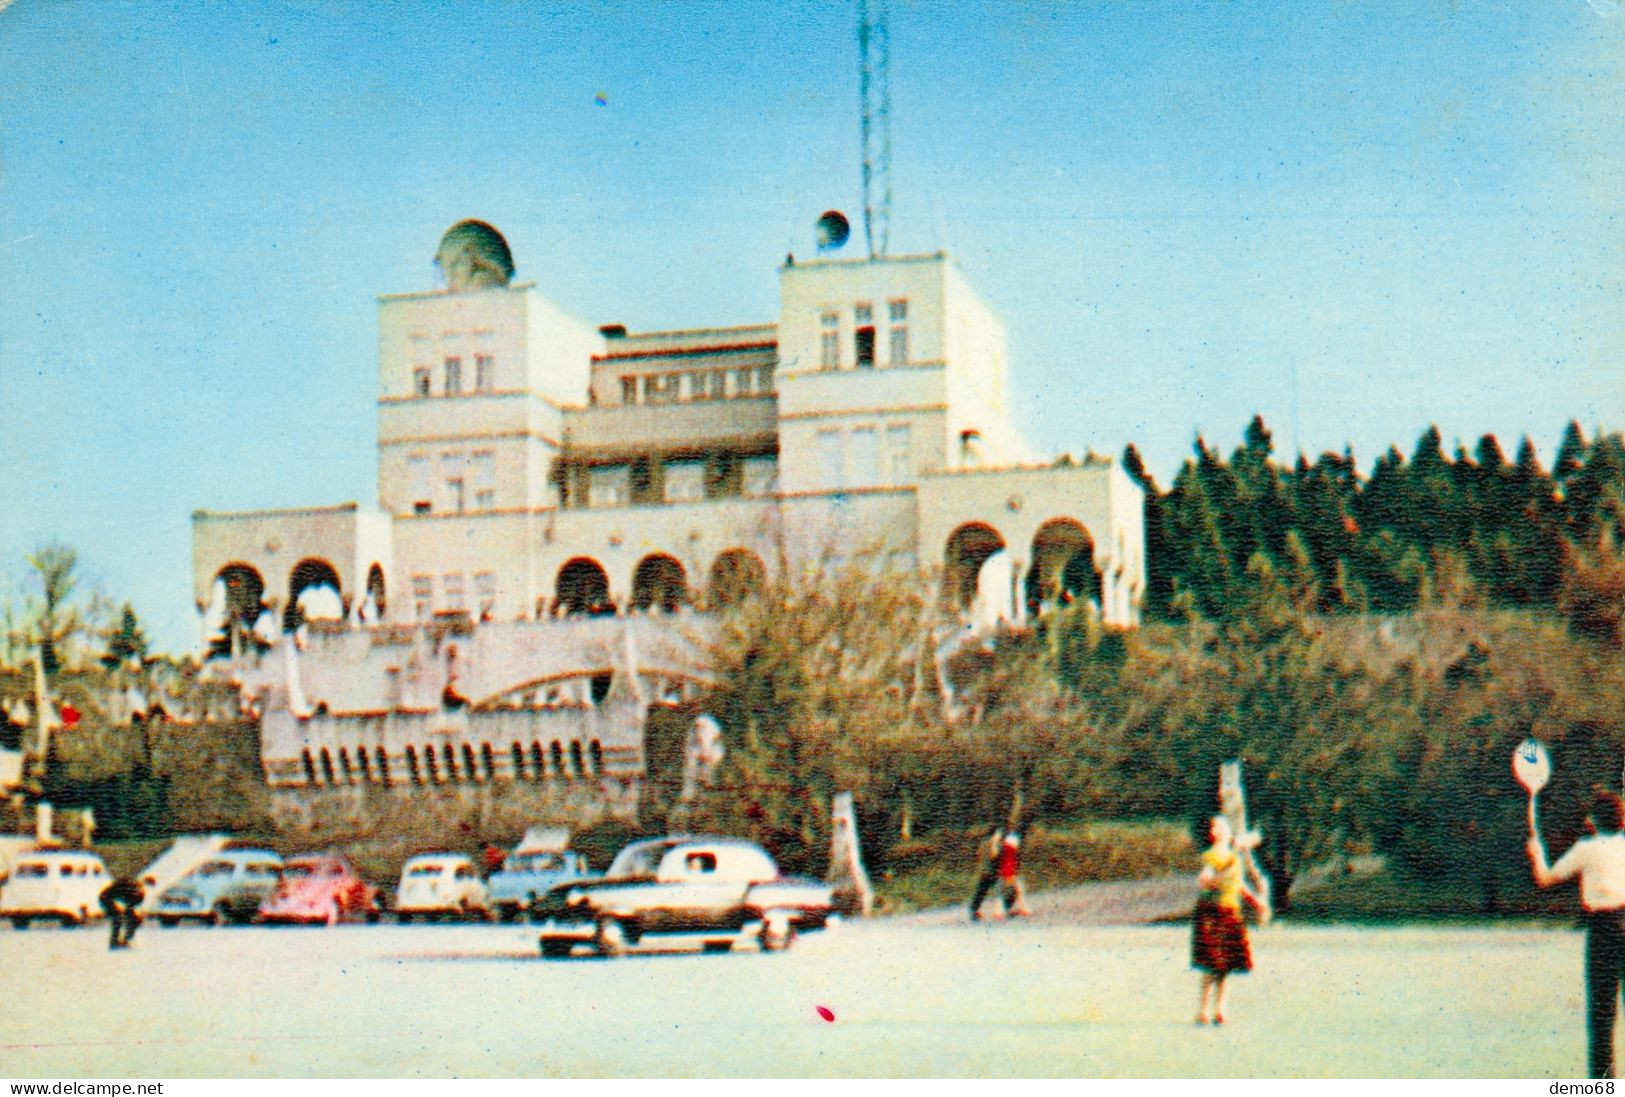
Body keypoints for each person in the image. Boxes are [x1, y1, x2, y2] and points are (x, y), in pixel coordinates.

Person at [1529, 789, 1625, 1078]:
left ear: (1593, 821)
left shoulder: (1587, 848)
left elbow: (1546, 878)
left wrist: (1537, 854)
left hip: (1604, 930)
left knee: (1601, 1019)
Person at [1192, 815, 1260, 1025]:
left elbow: (1239, 886)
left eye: (1223, 827)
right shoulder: (1210, 857)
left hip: (1231, 912)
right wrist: (1217, 878)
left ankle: (1219, 1010)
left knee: (1225, 967)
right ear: (1212, 834)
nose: (1220, 831)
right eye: (1216, 828)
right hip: (1212, 912)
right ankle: (1203, 1010)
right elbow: (1204, 881)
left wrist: (1256, 902)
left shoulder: (1235, 859)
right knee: (1211, 964)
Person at [968, 826, 1004, 922]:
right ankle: (998, 912)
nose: (1000, 836)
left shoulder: (983, 842)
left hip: (983, 870)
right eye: (999, 834)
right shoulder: (994, 843)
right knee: (997, 891)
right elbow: (994, 856)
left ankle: (974, 909)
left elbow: (978, 854)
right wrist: (994, 844)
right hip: (991, 872)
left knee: (981, 891)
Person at [99, 875, 144, 950]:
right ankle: (115, 942)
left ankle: (123, 940)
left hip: (110, 896)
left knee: (127, 919)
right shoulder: (132, 893)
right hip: (106, 898)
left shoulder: (134, 892)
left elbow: (129, 911)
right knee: (117, 918)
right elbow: (128, 911)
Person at [997, 831, 1032, 917]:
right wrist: (1010, 875)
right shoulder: (1011, 851)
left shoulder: (1005, 849)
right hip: (1009, 874)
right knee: (1018, 891)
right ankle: (1023, 909)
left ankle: (998, 912)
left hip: (1005, 873)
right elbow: (1009, 863)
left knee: (1002, 892)